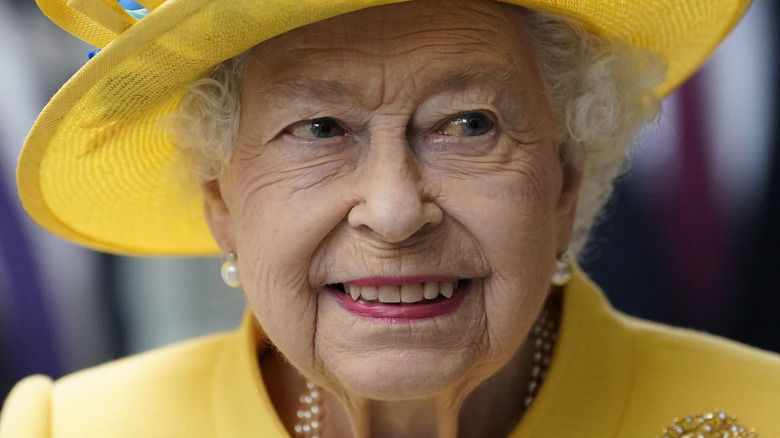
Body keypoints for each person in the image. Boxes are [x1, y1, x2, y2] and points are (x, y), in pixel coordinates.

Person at [1, 0, 778, 437]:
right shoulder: (72, 431)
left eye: (469, 125)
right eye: (319, 129)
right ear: (221, 201)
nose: (396, 211)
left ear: (567, 179)